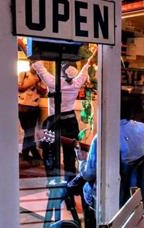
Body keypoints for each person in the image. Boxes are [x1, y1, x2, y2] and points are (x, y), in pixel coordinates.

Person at [77, 95, 144, 222]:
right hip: (140, 195)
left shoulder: (102, 136)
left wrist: (81, 161)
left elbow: (89, 175)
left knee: (82, 184)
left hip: (115, 200)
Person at [32, 51, 96, 181]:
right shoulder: (77, 82)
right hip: (71, 122)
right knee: (70, 155)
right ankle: (70, 184)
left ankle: (53, 181)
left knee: (49, 152)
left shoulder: (53, 82)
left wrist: (23, 45)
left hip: (53, 123)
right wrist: (94, 53)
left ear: (61, 69)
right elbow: (88, 64)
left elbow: (38, 65)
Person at [18, 61, 46, 165]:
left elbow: (43, 92)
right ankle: (32, 153)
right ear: (30, 65)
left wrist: (37, 83)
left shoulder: (40, 77)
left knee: (29, 131)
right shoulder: (23, 74)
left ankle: (27, 153)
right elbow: (19, 88)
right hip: (22, 108)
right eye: (33, 65)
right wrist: (31, 83)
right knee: (28, 131)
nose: (34, 68)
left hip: (34, 108)